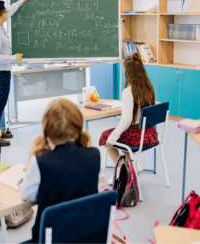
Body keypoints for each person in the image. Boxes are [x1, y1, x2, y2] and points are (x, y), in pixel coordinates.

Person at [20, 98, 100, 243]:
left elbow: (27, 194)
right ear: (78, 126)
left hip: (51, 238)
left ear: (47, 130)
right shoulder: (94, 154)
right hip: (87, 235)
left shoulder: (41, 161)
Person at [99, 53, 158, 185]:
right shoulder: (149, 88)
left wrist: (111, 138)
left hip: (137, 137)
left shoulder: (127, 92)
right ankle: (133, 166)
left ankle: (123, 170)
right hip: (149, 134)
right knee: (122, 136)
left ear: (128, 71)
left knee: (106, 137)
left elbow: (126, 120)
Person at [0, 0, 30, 146]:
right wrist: (14, 58)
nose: (7, 13)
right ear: (1, 14)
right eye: (5, 11)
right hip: (0, 72)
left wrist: (21, 1)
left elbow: (10, 11)